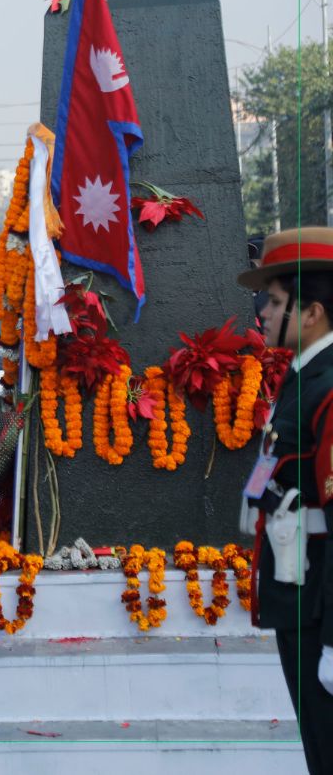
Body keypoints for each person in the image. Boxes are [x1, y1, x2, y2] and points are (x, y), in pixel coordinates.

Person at [238, 227, 333, 775]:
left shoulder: (328, 386)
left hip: (321, 607)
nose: (264, 314)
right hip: (298, 601)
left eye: (274, 302)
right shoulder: (301, 378)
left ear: (313, 310)